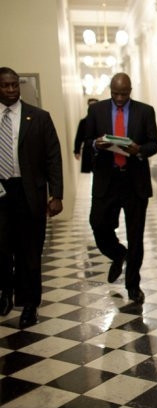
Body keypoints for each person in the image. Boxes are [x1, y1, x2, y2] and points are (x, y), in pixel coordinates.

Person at [85, 73, 157, 304]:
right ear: (110, 89)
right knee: (98, 224)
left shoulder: (145, 111)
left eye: (124, 94)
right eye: (115, 93)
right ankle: (118, 254)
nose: (119, 98)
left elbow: (154, 143)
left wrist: (138, 150)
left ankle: (133, 286)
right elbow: (87, 141)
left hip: (134, 181)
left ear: (130, 90)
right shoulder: (96, 111)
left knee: (136, 236)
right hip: (106, 180)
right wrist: (96, 144)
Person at [0, 67, 64, 328]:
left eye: (15, 85)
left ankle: (29, 304)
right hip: (0, 192)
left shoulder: (38, 117)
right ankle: (6, 291)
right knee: (2, 249)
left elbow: (53, 158)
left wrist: (56, 195)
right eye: (6, 86)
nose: (12, 90)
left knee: (29, 252)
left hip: (29, 194)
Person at [73, 97, 98, 173]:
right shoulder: (83, 122)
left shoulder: (103, 121)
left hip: (101, 151)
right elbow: (79, 137)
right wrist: (77, 151)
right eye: (90, 105)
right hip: (88, 150)